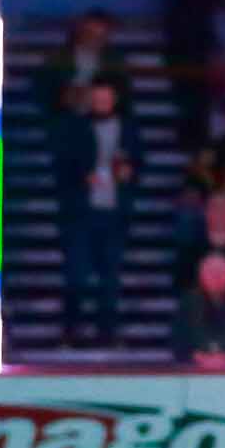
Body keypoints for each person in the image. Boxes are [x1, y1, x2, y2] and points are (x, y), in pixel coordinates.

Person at [51, 76, 141, 346]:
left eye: (106, 97)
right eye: (97, 97)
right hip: (82, 213)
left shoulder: (128, 128)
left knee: (110, 278)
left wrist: (129, 172)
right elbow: (63, 164)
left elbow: (138, 161)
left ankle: (107, 333)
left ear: (115, 99)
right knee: (76, 274)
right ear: (90, 98)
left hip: (114, 212)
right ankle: (70, 330)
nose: (102, 102)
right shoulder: (75, 127)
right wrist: (83, 177)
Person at [174, 252, 225, 368]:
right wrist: (199, 357)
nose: (216, 277)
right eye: (211, 272)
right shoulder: (188, 303)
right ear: (201, 275)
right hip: (194, 371)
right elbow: (179, 341)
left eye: (222, 273)